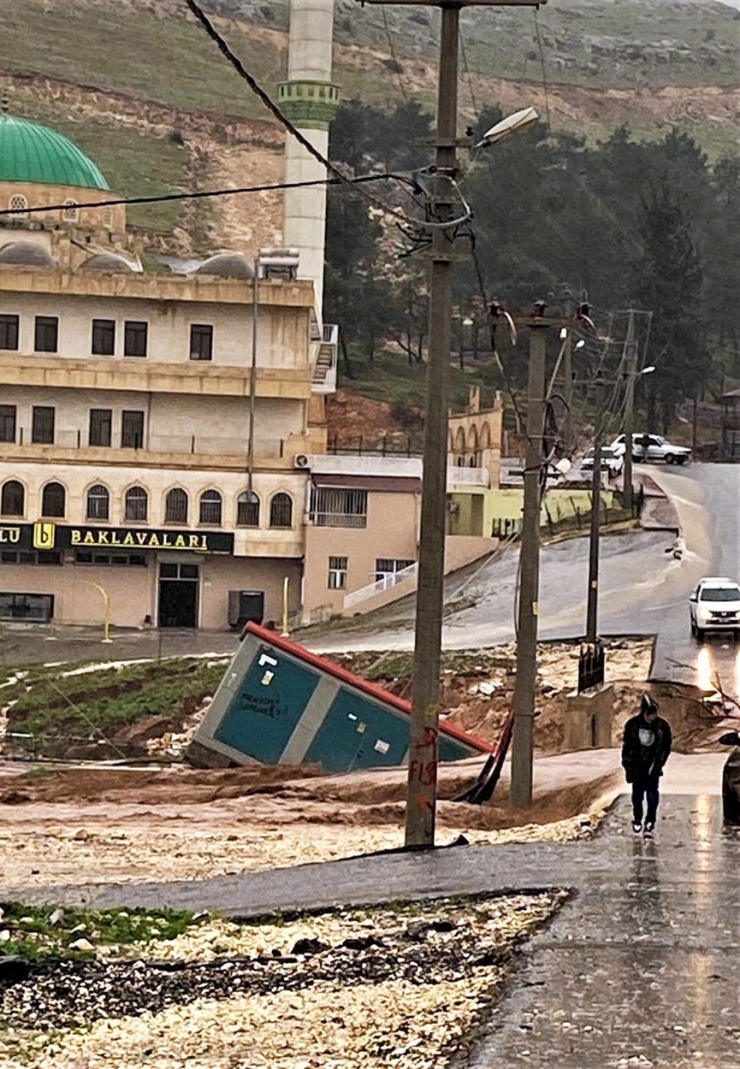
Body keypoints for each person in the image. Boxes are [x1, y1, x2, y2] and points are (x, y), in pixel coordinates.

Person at [621, 694, 672, 837]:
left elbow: (665, 747)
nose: (652, 717)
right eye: (650, 714)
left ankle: (650, 821)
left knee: (652, 795)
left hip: (653, 766)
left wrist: (659, 763)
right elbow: (627, 747)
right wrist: (628, 767)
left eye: (654, 713)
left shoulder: (662, 727)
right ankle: (638, 818)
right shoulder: (633, 725)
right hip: (638, 766)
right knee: (637, 796)